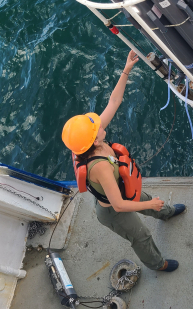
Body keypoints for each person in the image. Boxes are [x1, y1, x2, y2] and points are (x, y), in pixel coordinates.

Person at [62, 50, 186, 272]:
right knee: (142, 236)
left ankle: (165, 212)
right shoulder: (99, 166)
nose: (100, 124)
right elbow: (119, 205)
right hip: (112, 211)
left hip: (121, 188)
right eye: (96, 127)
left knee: (146, 198)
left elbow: (114, 101)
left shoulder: (91, 141)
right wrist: (148, 205)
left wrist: (126, 70)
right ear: (92, 140)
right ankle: (158, 264)